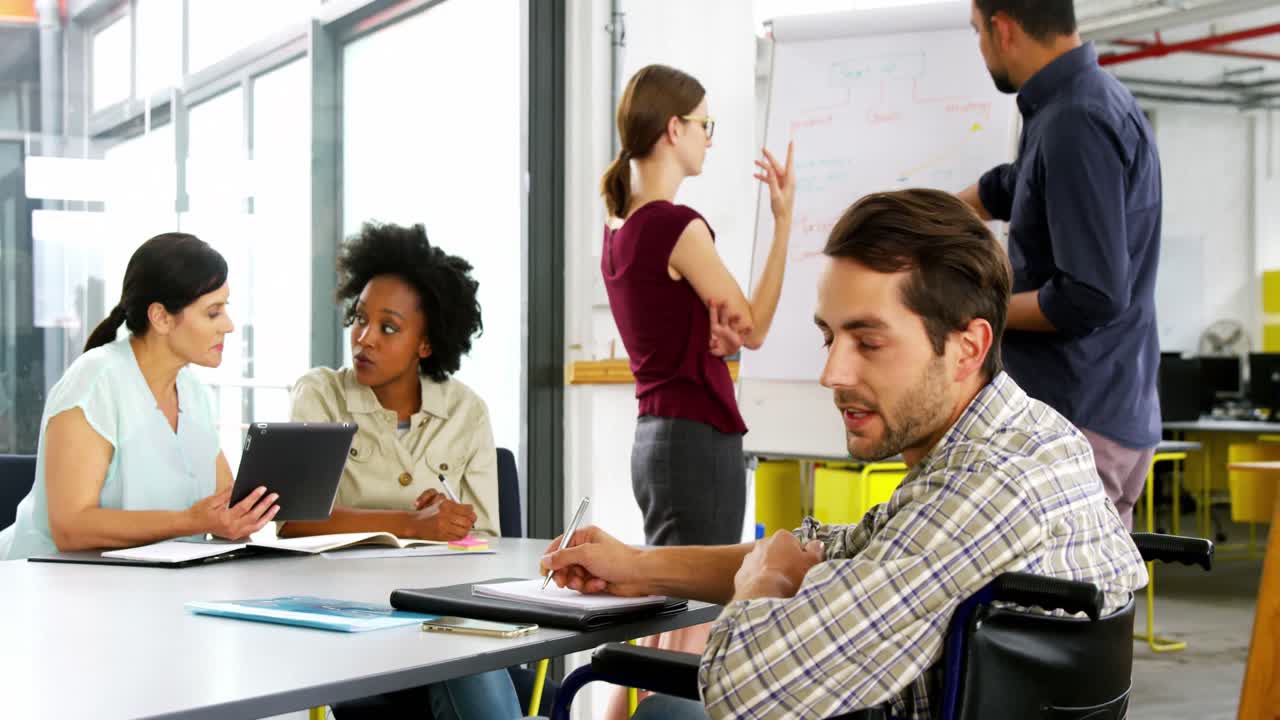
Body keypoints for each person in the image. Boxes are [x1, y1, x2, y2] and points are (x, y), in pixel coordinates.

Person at [543, 190, 1148, 719]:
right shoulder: (1036, 438)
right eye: (830, 337)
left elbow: (740, 689)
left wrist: (764, 584)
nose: (832, 372)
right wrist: (640, 566)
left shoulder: (985, 495)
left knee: (661, 710)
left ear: (967, 347)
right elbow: (837, 552)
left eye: (868, 340)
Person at [284, 222, 525, 720]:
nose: (364, 339)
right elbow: (294, 522)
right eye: (359, 319)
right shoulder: (320, 394)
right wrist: (407, 524)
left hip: (442, 615)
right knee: (469, 669)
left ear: (426, 344)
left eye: (388, 328)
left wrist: (452, 525)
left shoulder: (466, 411)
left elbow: (487, 542)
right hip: (349, 621)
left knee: (468, 662)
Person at [957, 0, 1163, 529]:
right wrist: (930, 217)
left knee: (1057, 605)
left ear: (1003, 30)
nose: (979, 48)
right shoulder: (1067, 107)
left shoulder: (1078, 121)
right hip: (1092, 407)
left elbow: (1090, 294)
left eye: (978, 32)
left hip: (1080, 416)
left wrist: (977, 312)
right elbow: (1017, 185)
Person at [602, 64, 795, 551]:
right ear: (674, 128)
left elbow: (687, 330)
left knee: (669, 610)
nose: (709, 139)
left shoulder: (617, 229)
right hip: (695, 440)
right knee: (696, 611)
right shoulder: (677, 228)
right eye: (703, 126)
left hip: (653, 441)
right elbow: (754, 327)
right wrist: (783, 221)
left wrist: (716, 344)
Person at [0, 233, 278, 561]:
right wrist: (190, 521)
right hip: (46, 586)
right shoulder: (95, 381)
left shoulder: (192, 392)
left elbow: (221, 507)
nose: (229, 326)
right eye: (213, 312)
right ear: (160, 317)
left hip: (148, 585)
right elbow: (71, 527)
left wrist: (239, 517)